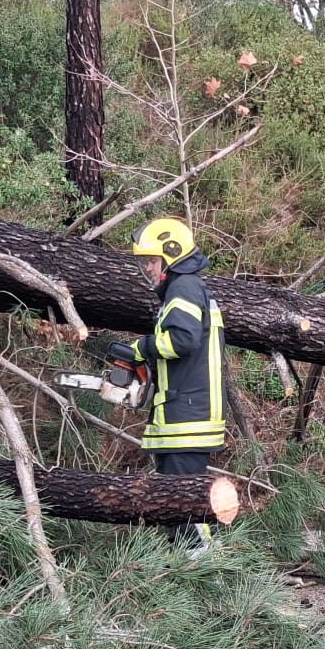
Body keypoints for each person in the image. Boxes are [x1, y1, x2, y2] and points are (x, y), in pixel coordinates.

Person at [124, 217, 227, 544]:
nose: (148, 269)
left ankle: (205, 574)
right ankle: (191, 571)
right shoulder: (185, 289)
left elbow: (182, 340)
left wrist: (143, 348)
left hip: (188, 418)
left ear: (171, 256)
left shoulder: (184, 287)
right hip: (182, 413)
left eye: (152, 261)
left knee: (185, 507)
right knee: (176, 506)